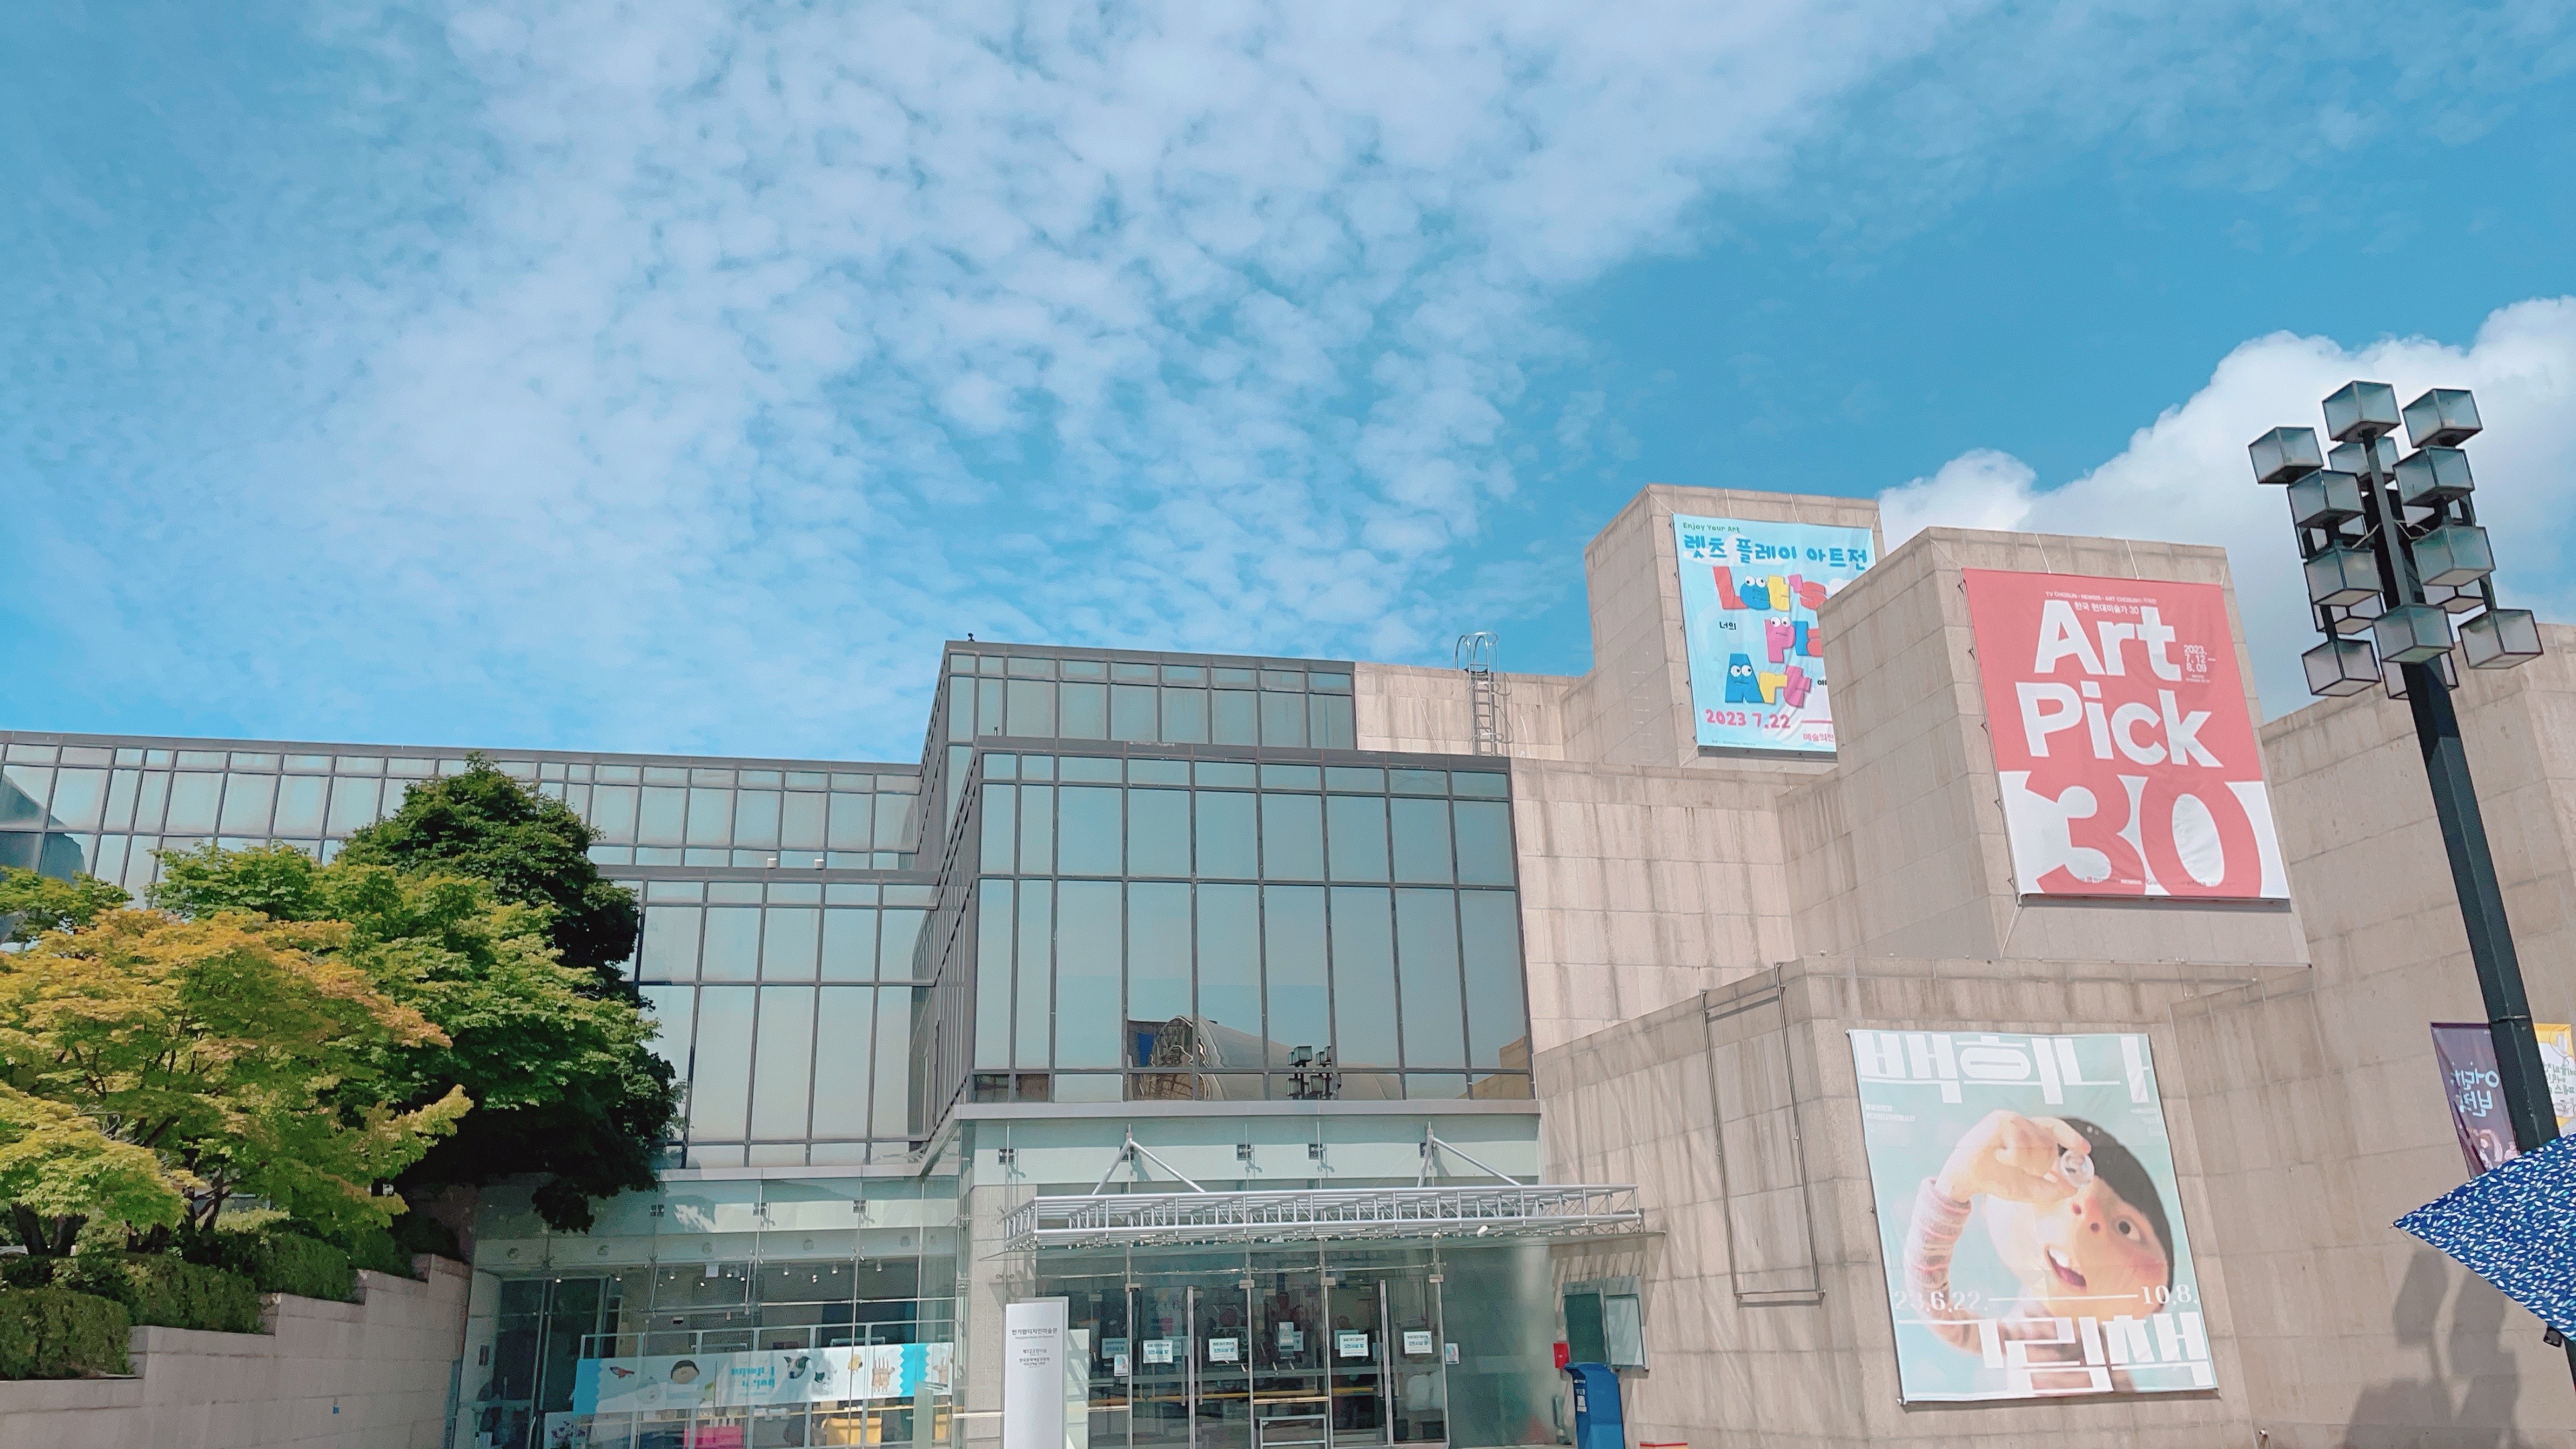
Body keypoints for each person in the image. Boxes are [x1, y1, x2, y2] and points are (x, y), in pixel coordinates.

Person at [1904, 1110, 2174, 1387]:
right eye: (2060, 1178)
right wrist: (1953, 1188)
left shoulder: (2098, 1341)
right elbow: (1940, 1314)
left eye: (2125, 1227)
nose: (2087, 1214)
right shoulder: (2018, 1336)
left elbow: (2124, 1391)